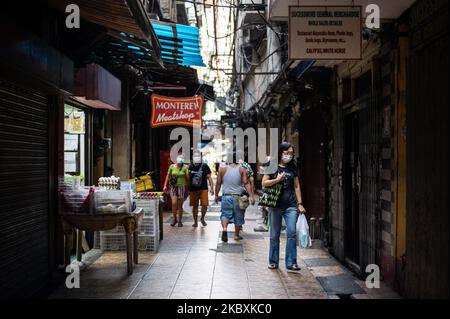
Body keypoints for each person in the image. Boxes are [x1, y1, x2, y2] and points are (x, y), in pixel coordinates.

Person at [262, 142, 306, 272]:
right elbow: (264, 183)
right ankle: (273, 261)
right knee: (274, 234)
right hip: (275, 205)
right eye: (287, 153)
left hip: (291, 205)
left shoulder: (293, 168)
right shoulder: (272, 166)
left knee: (291, 232)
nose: (289, 155)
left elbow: (297, 186)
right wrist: (278, 180)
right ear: (281, 152)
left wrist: (300, 203)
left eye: (291, 153)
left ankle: (291, 262)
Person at [215, 155, 255, 242]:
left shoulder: (222, 169)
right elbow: (246, 183)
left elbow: (218, 183)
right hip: (237, 197)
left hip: (226, 196)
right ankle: (236, 235)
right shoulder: (241, 169)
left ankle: (225, 229)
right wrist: (251, 195)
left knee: (225, 214)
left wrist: (216, 194)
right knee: (238, 216)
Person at [189, 151, 214, 227]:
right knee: (195, 206)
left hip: (203, 188)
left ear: (201, 157)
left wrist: (212, 187)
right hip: (193, 189)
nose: (196, 157)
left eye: (198, 155)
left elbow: (209, 177)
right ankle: (195, 222)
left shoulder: (205, 166)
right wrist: (187, 189)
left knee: (204, 205)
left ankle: (202, 218)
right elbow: (188, 178)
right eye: (195, 155)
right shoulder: (190, 166)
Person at [163, 154, 190, 227]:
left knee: (180, 205)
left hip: (182, 187)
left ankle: (180, 221)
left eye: (181, 159)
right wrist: (165, 185)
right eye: (179, 158)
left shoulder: (185, 167)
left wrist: (187, 172)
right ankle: (175, 219)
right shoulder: (172, 167)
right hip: (173, 187)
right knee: (174, 203)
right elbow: (168, 176)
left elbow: (188, 178)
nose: (180, 160)